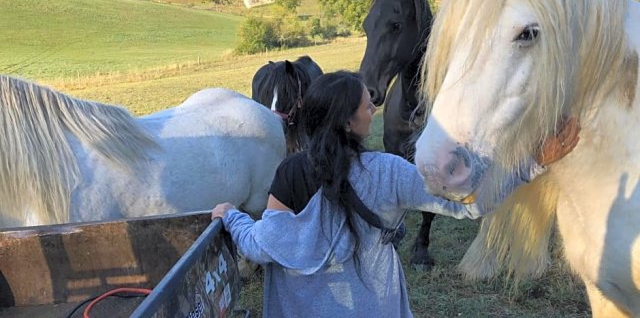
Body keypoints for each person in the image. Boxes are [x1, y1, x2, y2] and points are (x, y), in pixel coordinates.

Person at [211, 71, 580, 318]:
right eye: (366, 105)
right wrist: (531, 164)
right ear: (347, 121)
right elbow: (469, 206)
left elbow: (261, 246)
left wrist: (232, 216)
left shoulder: (291, 173)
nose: (374, 109)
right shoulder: (388, 172)